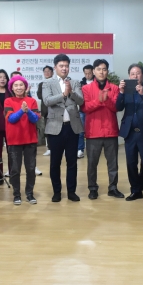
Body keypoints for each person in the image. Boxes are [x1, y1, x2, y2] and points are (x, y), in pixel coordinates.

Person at [42, 54, 84, 202]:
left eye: (66, 66)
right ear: (55, 67)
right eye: (61, 66)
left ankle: (72, 191)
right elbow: (47, 101)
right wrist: (63, 94)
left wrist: (71, 92)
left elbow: (81, 100)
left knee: (72, 162)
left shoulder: (75, 82)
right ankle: (57, 192)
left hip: (72, 127)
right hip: (55, 128)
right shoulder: (47, 83)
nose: (64, 68)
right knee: (55, 162)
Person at [80, 59, 123, 200]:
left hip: (110, 130)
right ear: (93, 71)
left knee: (113, 163)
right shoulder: (86, 89)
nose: (101, 72)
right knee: (92, 163)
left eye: (104, 69)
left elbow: (116, 107)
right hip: (93, 132)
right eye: (99, 69)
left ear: (107, 71)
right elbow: (85, 108)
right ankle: (92, 188)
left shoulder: (114, 88)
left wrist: (107, 100)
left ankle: (113, 187)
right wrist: (99, 101)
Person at [116, 64, 143, 202]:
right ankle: (135, 190)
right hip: (130, 133)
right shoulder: (126, 91)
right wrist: (121, 92)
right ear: (129, 76)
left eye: (138, 73)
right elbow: (118, 107)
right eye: (133, 73)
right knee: (131, 163)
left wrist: (142, 94)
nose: (135, 76)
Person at [4, 76, 40, 205]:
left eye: (21, 85)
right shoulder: (8, 101)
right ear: (12, 88)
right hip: (14, 141)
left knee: (30, 169)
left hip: (30, 140)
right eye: (16, 85)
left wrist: (28, 111)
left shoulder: (32, 101)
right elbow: (11, 119)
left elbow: (35, 119)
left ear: (25, 87)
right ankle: (16, 195)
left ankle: (30, 194)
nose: (19, 87)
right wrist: (21, 110)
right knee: (15, 170)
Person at [77, 64, 95, 159]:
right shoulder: (81, 83)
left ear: (93, 72)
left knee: (93, 130)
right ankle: (80, 149)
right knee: (81, 131)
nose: (88, 75)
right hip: (83, 110)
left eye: (89, 73)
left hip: (95, 109)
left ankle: (93, 149)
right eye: (86, 73)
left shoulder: (98, 82)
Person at [38, 65, 54, 154]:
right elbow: (39, 95)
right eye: (45, 71)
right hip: (46, 111)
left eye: (49, 71)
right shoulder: (41, 84)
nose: (47, 73)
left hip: (56, 110)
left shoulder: (56, 83)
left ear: (52, 72)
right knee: (48, 131)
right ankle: (49, 148)